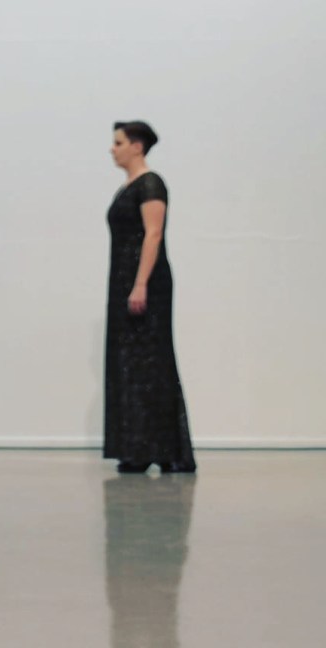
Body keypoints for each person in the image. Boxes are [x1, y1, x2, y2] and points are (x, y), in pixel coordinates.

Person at [104, 121, 195, 474]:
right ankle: (138, 448)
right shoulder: (127, 187)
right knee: (131, 364)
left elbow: (153, 233)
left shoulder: (151, 183)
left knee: (152, 362)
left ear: (137, 146)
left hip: (146, 284)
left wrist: (141, 283)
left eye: (118, 143)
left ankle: (166, 450)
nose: (113, 149)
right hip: (123, 284)